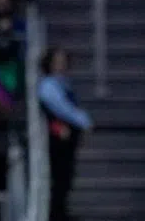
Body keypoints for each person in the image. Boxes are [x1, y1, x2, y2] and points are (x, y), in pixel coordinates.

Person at [38, 48, 93, 221]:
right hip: (58, 138)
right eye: (57, 61)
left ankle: (61, 211)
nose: (61, 65)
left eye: (63, 61)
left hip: (68, 138)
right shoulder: (48, 85)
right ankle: (56, 214)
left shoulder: (63, 83)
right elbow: (62, 109)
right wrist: (83, 120)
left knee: (66, 177)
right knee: (60, 177)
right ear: (50, 64)